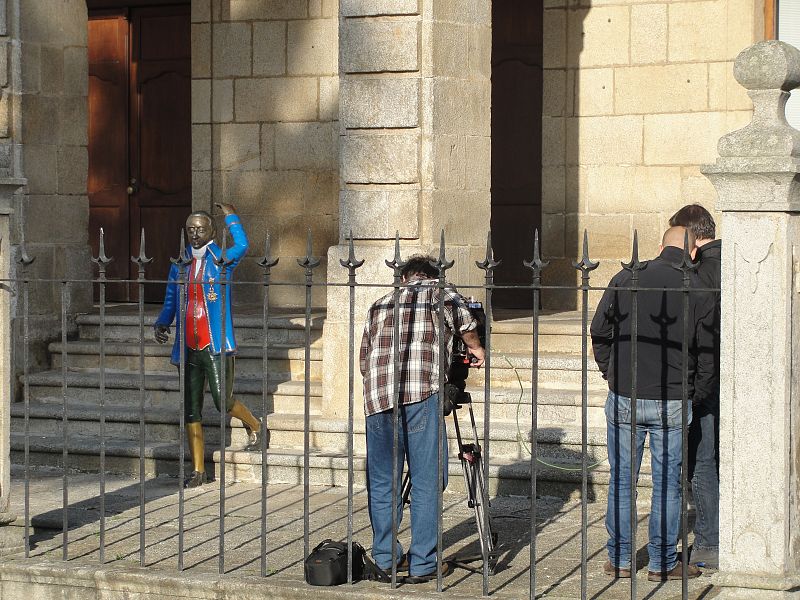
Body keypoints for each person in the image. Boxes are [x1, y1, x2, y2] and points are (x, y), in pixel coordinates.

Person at [591, 226, 716, 581]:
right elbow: (707, 354)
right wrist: (697, 391)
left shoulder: (626, 277)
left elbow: (599, 331)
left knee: (622, 480)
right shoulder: (699, 289)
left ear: (660, 247)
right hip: (672, 398)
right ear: (692, 254)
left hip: (626, 395)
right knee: (666, 484)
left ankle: (620, 559)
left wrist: (612, 374)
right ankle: (662, 562)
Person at [359, 255, 485, 582]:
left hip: (378, 401)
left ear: (403, 278)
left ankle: (386, 559)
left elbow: (364, 359)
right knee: (427, 479)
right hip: (419, 395)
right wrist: (476, 348)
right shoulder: (439, 292)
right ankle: (424, 563)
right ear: (431, 275)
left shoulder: (380, 304)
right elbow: (467, 322)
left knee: (384, 481)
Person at [154, 203, 262, 488]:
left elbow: (243, 244)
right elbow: (169, 299)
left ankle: (255, 423)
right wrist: (163, 322)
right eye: (190, 229)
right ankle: (198, 470)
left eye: (200, 228)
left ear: (211, 231)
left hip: (215, 344)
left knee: (222, 400)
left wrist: (232, 217)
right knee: (191, 409)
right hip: (188, 345)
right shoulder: (179, 264)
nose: (195, 234)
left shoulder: (221, 260)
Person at [669, 204, 720, 569]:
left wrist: (696, 391)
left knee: (700, 463)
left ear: (691, 236)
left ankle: (708, 542)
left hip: (703, 382)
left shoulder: (699, 272)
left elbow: (700, 337)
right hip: (726, 377)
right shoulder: (738, 259)